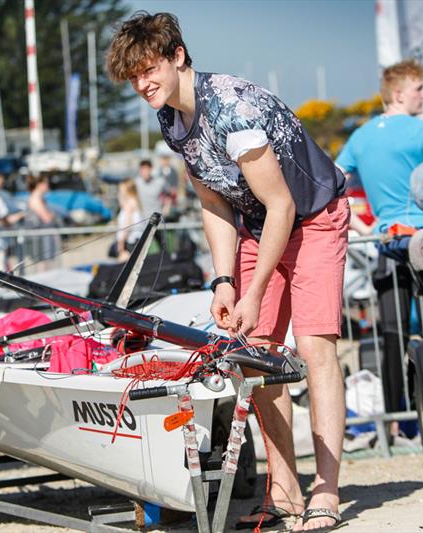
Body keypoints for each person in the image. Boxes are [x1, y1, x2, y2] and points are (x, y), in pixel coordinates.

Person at [107, 12, 349, 532]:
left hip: (313, 217)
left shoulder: (231, 109)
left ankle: (326, 491)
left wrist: (254, 290)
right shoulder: (170, 117)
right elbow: (213, 204)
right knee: (255, 355)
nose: (142, 84)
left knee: (314, 349)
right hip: (260, 227)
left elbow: (282, 205)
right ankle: (284, 492)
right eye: (133, 77)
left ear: (177, 57)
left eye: (149, 69)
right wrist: (223, 280)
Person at [336, 60, 423, 438]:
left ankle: (399, 423)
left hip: (385, 242)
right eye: (419, 88)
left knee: (392, 336)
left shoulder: (361, 137)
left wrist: (362, 224)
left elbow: (332, 185)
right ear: (400, 94)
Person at [23, 173, 59, 269]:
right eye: (46, 183)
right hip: (38, 238)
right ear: (39, 185)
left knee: (46, 264)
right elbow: (46, 218)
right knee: (42, 265)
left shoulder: (40, 199)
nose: (48, 185)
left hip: (42, 237)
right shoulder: (35, 199)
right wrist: (53, 215)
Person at [112, 179, 143, 261]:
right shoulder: (135, 202)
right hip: (134, 241)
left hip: (128, 242)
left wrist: (121, 243)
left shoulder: (129, 204)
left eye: (121, 189)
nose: (119, 192)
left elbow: (128, 225)